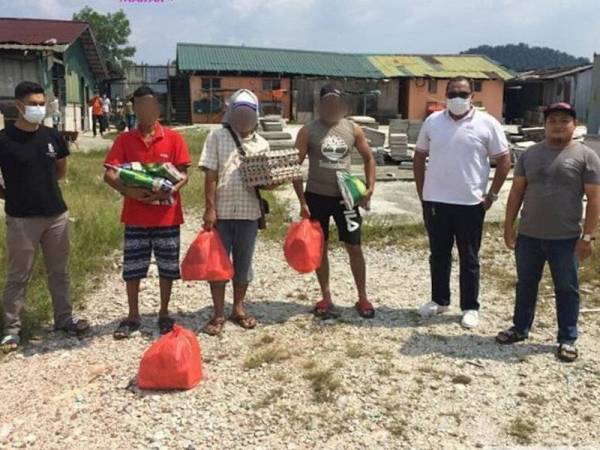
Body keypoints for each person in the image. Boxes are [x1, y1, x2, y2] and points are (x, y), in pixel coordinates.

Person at [496, 103, 600, 362]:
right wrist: (509, 226)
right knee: (526, 285)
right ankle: (520, 328)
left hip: (565, 239)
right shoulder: (530, 155)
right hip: (529, 236)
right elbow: (517, 192)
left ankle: (567, 339)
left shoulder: (586, 156)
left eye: (564, 120)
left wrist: (588, 237)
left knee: (567, 288)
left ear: (574, 125)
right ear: (545, 125)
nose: (557, 125)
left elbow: (595, 199)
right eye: (552, 120)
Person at [413, 76, 511, 329]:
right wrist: (422, 191)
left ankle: (470, 307)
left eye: (463, 93)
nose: (458, 97)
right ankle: (439, 300)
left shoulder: (487, 124)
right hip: (435, 201)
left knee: (469, 257)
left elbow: (504, 161)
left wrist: (492, 195)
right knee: (439, 254)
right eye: (453, 92)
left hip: (470, 203)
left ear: (472, 96)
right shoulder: (433, 122)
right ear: (446, 95)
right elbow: (419, 156)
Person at [0, 81, 90, 352]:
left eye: (42, 104)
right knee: (19, 275)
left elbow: (60, 171)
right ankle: (11, 329)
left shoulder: (52, 136)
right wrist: (9, 195)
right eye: (34, 104)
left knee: (59, 272)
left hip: (56, 216)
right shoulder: (4, 140)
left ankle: (64, 319)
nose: (39, 108)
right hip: (21, 219)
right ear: (19, 106)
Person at [103, 86, 191, 339]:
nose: (146, 111)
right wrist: (127, 191)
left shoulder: (174, 139)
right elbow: (109, 174)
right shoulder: (124, 140)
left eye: (151, 105)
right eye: (141, 106)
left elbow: (184, 173)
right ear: (135, 108)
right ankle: (133, 316)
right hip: (135, 216)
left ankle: (164, 313)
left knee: (168, 267)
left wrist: (170, 190)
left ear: (158, 108)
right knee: (133, 267)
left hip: (167, 217)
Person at [292, 84, 376, 319]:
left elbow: (369, 158)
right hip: (317, 197)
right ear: (320, 104)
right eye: (327, 102)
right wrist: (301, 201)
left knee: (355, 247)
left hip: (345, 199)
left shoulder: (352, 128)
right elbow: (293, 167)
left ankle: (362, 296)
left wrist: (370, 188)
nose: (332, 107)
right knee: (319, 249)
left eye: (336, 103)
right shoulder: (308, 131)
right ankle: (326, 296)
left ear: (341, 105)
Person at [199, 89, 270, 335]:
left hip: (250, 212)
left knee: (244, 264)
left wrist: (273, 181)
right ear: (231, 114)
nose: (242, 118)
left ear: (255, 115)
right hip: (222, 212)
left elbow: (265, 181)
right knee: (217, 265)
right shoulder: (217, 136)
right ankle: (218, 312)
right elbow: (210, 174)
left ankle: (238, 308)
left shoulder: (262, 144)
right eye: (238, 113)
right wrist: (210, 208)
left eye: (247, 114)